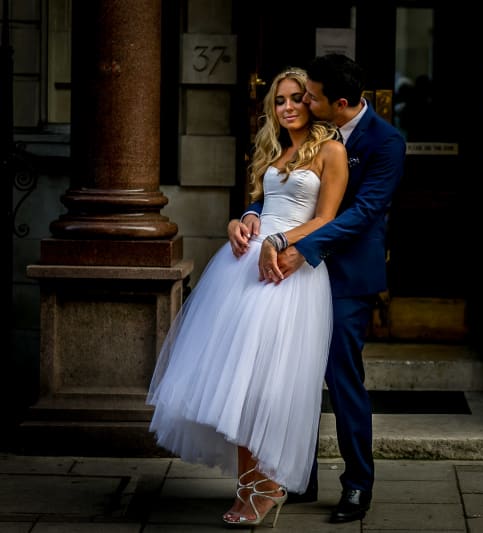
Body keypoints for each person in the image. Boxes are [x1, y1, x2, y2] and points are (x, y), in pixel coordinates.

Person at [146, 67, 348, 528]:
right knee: (237, 380)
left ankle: (269, 484)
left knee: (269, 384)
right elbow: (261, 205)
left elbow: (327, 219)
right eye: (280, 101)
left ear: (313, 101)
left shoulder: (331, 150)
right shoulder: (274, 149)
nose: (289, 107)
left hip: (289, 270)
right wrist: (240, 222)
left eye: (297, 98)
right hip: (245, 266)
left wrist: (280, 243)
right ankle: (248, 483)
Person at [228, 53, 406, 523]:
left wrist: (294, 243)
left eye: (311, 95)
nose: (302, 100)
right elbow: (283, 182)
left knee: (339, 376)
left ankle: (356, 485)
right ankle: (298, 476)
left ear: (339, 102)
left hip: (346, 276)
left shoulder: (387, 142)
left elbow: (362, 212)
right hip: (295, 271)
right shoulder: (310, 130)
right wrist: (252, 212)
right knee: (288, 372)